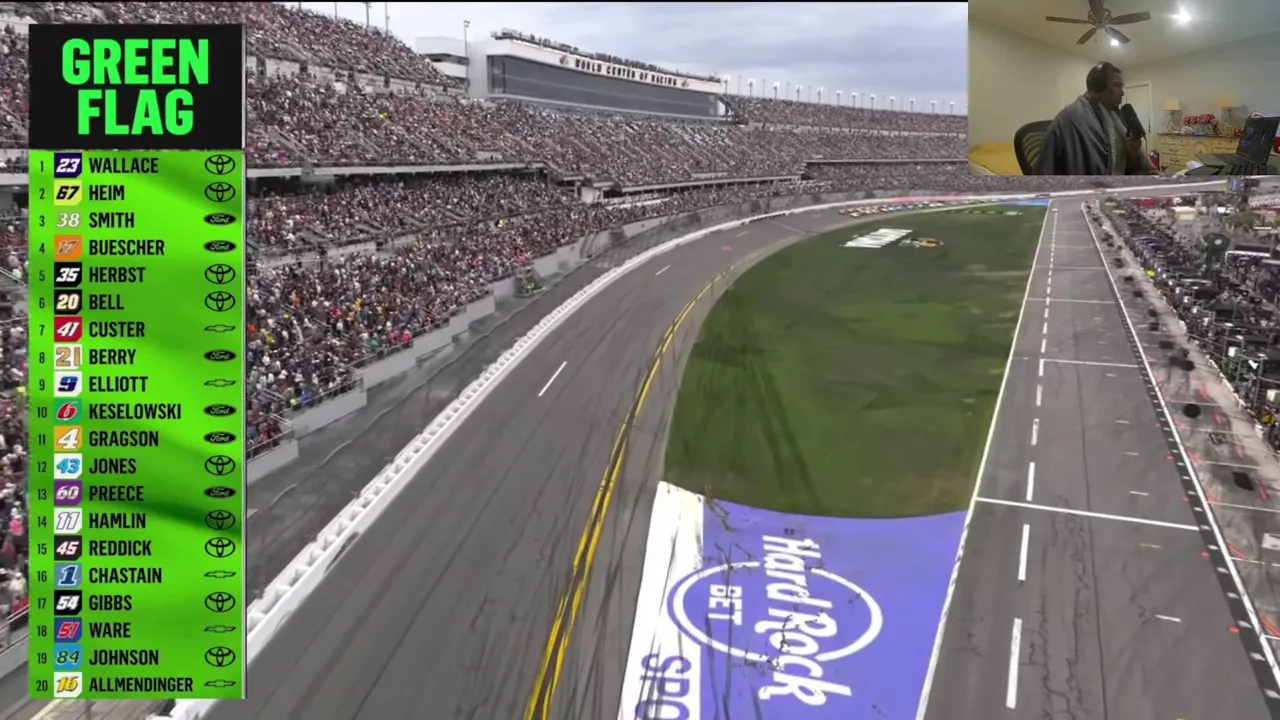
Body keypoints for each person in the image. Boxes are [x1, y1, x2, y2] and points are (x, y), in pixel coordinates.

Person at [1037, 62, 1158, 176]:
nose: (1122, 93)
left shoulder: (1117, 118)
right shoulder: (1070, 119)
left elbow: (1126, 168)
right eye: (1117, 85)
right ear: (1098, 86)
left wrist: (1133, 154)